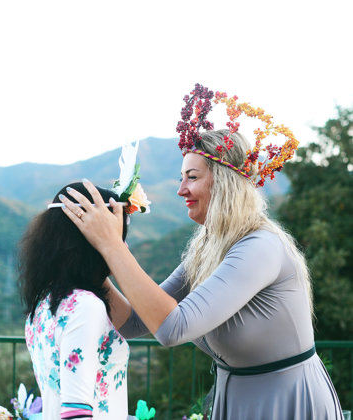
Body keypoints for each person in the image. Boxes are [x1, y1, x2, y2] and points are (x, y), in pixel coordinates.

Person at [58, 86, 344, 419]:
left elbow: (172, 328)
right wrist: (91, 262)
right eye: (181, 178)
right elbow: (134, 322)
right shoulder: (207, 248)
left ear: (223, 182)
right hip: (235, 397)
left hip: (286, 400)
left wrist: (112, 245)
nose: (181, 190)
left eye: (192, 177)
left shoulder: (260, 248)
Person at [18, 182, 130, 420]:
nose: (124, 247)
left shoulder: (46, 301)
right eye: (117, 237)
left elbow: (127, 316)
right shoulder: (85, 306)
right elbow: (75, 411)